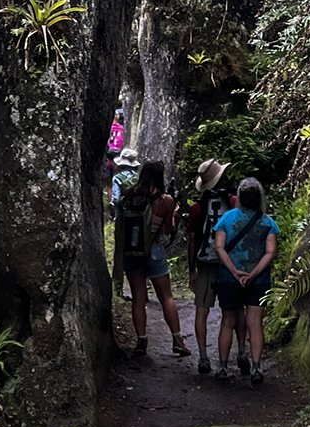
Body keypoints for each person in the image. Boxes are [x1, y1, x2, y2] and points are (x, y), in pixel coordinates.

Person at [113, 158, 188, 359]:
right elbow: (167, 230)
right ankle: (178, 339)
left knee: (138, 297)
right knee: (166, 296)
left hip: (131, 251)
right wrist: (175, 217)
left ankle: (141, 341)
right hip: (153, 251)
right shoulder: (165, 200)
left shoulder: (130, 195)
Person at [213, 174, 278, 385]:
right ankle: (257, 367)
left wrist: (233, 271)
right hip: (257, 281)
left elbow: (219, 247)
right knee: (255, 323)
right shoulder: (268, 222)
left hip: (229, 279)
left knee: (227, 321)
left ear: (239, 196)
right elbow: (270, 252)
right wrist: (253, 273)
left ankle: (222, 367)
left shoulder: (227, 218)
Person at [186, 156, 233, 376]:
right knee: (230, 312)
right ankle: (233, 356)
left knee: (201, 311)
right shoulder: (232, 203)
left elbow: (193, 240)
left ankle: (203, 357)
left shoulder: (197, 208)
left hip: (204, 263)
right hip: (228, 264)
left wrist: (191, 269)